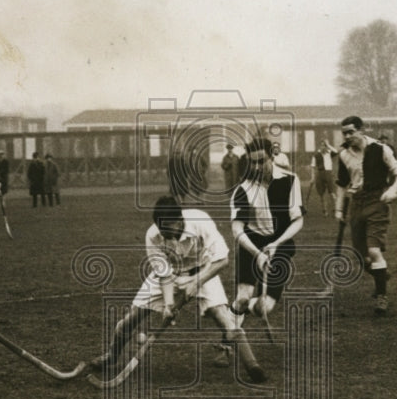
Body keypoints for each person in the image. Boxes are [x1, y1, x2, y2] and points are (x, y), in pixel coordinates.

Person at [90, 196, 266, 384]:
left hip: (204, 271)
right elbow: (163, 274)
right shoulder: (153, 235)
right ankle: (111, 356)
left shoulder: (200, 221)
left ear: (179, 220)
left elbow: (222, 261)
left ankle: (253, 366)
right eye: (162, 230)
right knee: (131, 319)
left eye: (169, 230)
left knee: (223, 318)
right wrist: (168, 305)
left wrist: (196, 282)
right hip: (171, 274)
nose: (165, 235)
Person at [334, 116, 397, 316]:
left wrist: (393, 190)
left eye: (351, 132)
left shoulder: (380, 148)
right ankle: (381, 275)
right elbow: (341, 185)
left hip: (377, 202)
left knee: (374, 251)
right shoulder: (344, 155)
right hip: (356, 204)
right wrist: (339, 210)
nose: (348, 136)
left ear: (362, 130)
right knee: (361, 256)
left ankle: (382, 297)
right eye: (344, 133)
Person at [229, 137, 304, 322]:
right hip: (251, 245)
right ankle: (230, 335)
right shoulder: (243, 189)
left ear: (272, 157)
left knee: (264, 307)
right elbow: (237, 231)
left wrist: (276, 244)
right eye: (252, 162)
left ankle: (249, 310)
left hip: (281, 244)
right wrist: (258, 254)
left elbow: (298, 221)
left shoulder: (291, 180)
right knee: (241, 300)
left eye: (261, 161)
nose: (256, 167)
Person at [309, 139, 338, 216]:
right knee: (322, 194)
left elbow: (336, 152)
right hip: (320, 174)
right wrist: (312, 177)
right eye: (322, 145)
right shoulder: (316, 155)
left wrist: (328, 145)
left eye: (325, 145)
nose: (323, 147)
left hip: (329, 174)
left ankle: (335, 209)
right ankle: (325, 210)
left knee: (332, 193)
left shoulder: (329, 153)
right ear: (320, 146)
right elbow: (312, 167)